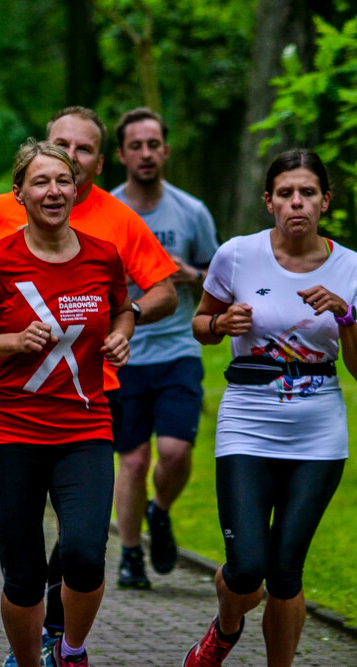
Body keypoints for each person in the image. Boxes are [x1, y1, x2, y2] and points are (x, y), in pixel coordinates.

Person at [0, 106, 177, 664]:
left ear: (81, 184)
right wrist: (9, 341)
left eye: (64, 179)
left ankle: (71, 651)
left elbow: (125, 306)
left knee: (83, 553)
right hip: (10, 430)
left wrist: (124, 332)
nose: (56, 188)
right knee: (25, 569)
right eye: (42, 181)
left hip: (84, 422)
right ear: (20, 193)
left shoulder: (104, 254)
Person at [183, 149, 357, 667]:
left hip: (318, 432)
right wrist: (220, 326)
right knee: (247, 567)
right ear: (269, 201)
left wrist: (345, 313)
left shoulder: (352, 267)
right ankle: (224, 630)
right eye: (287, 193)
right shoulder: (236, 255)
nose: (298, 202)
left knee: (286, 571)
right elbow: (201, 324)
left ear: (325, 201)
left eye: (309, 193)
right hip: (247, 424)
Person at [109, 107, 219, 588]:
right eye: (136, 145)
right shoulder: (107, 212)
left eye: (154, 144)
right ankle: (130, 554)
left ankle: (161, 509)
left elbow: (220, 278)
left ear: (166, 151)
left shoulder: (191, 211)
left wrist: (189, 274)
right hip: (124, 351)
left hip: (177, 349)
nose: (146, 153)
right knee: (132, 459)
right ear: (121, 155)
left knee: (174, 452)